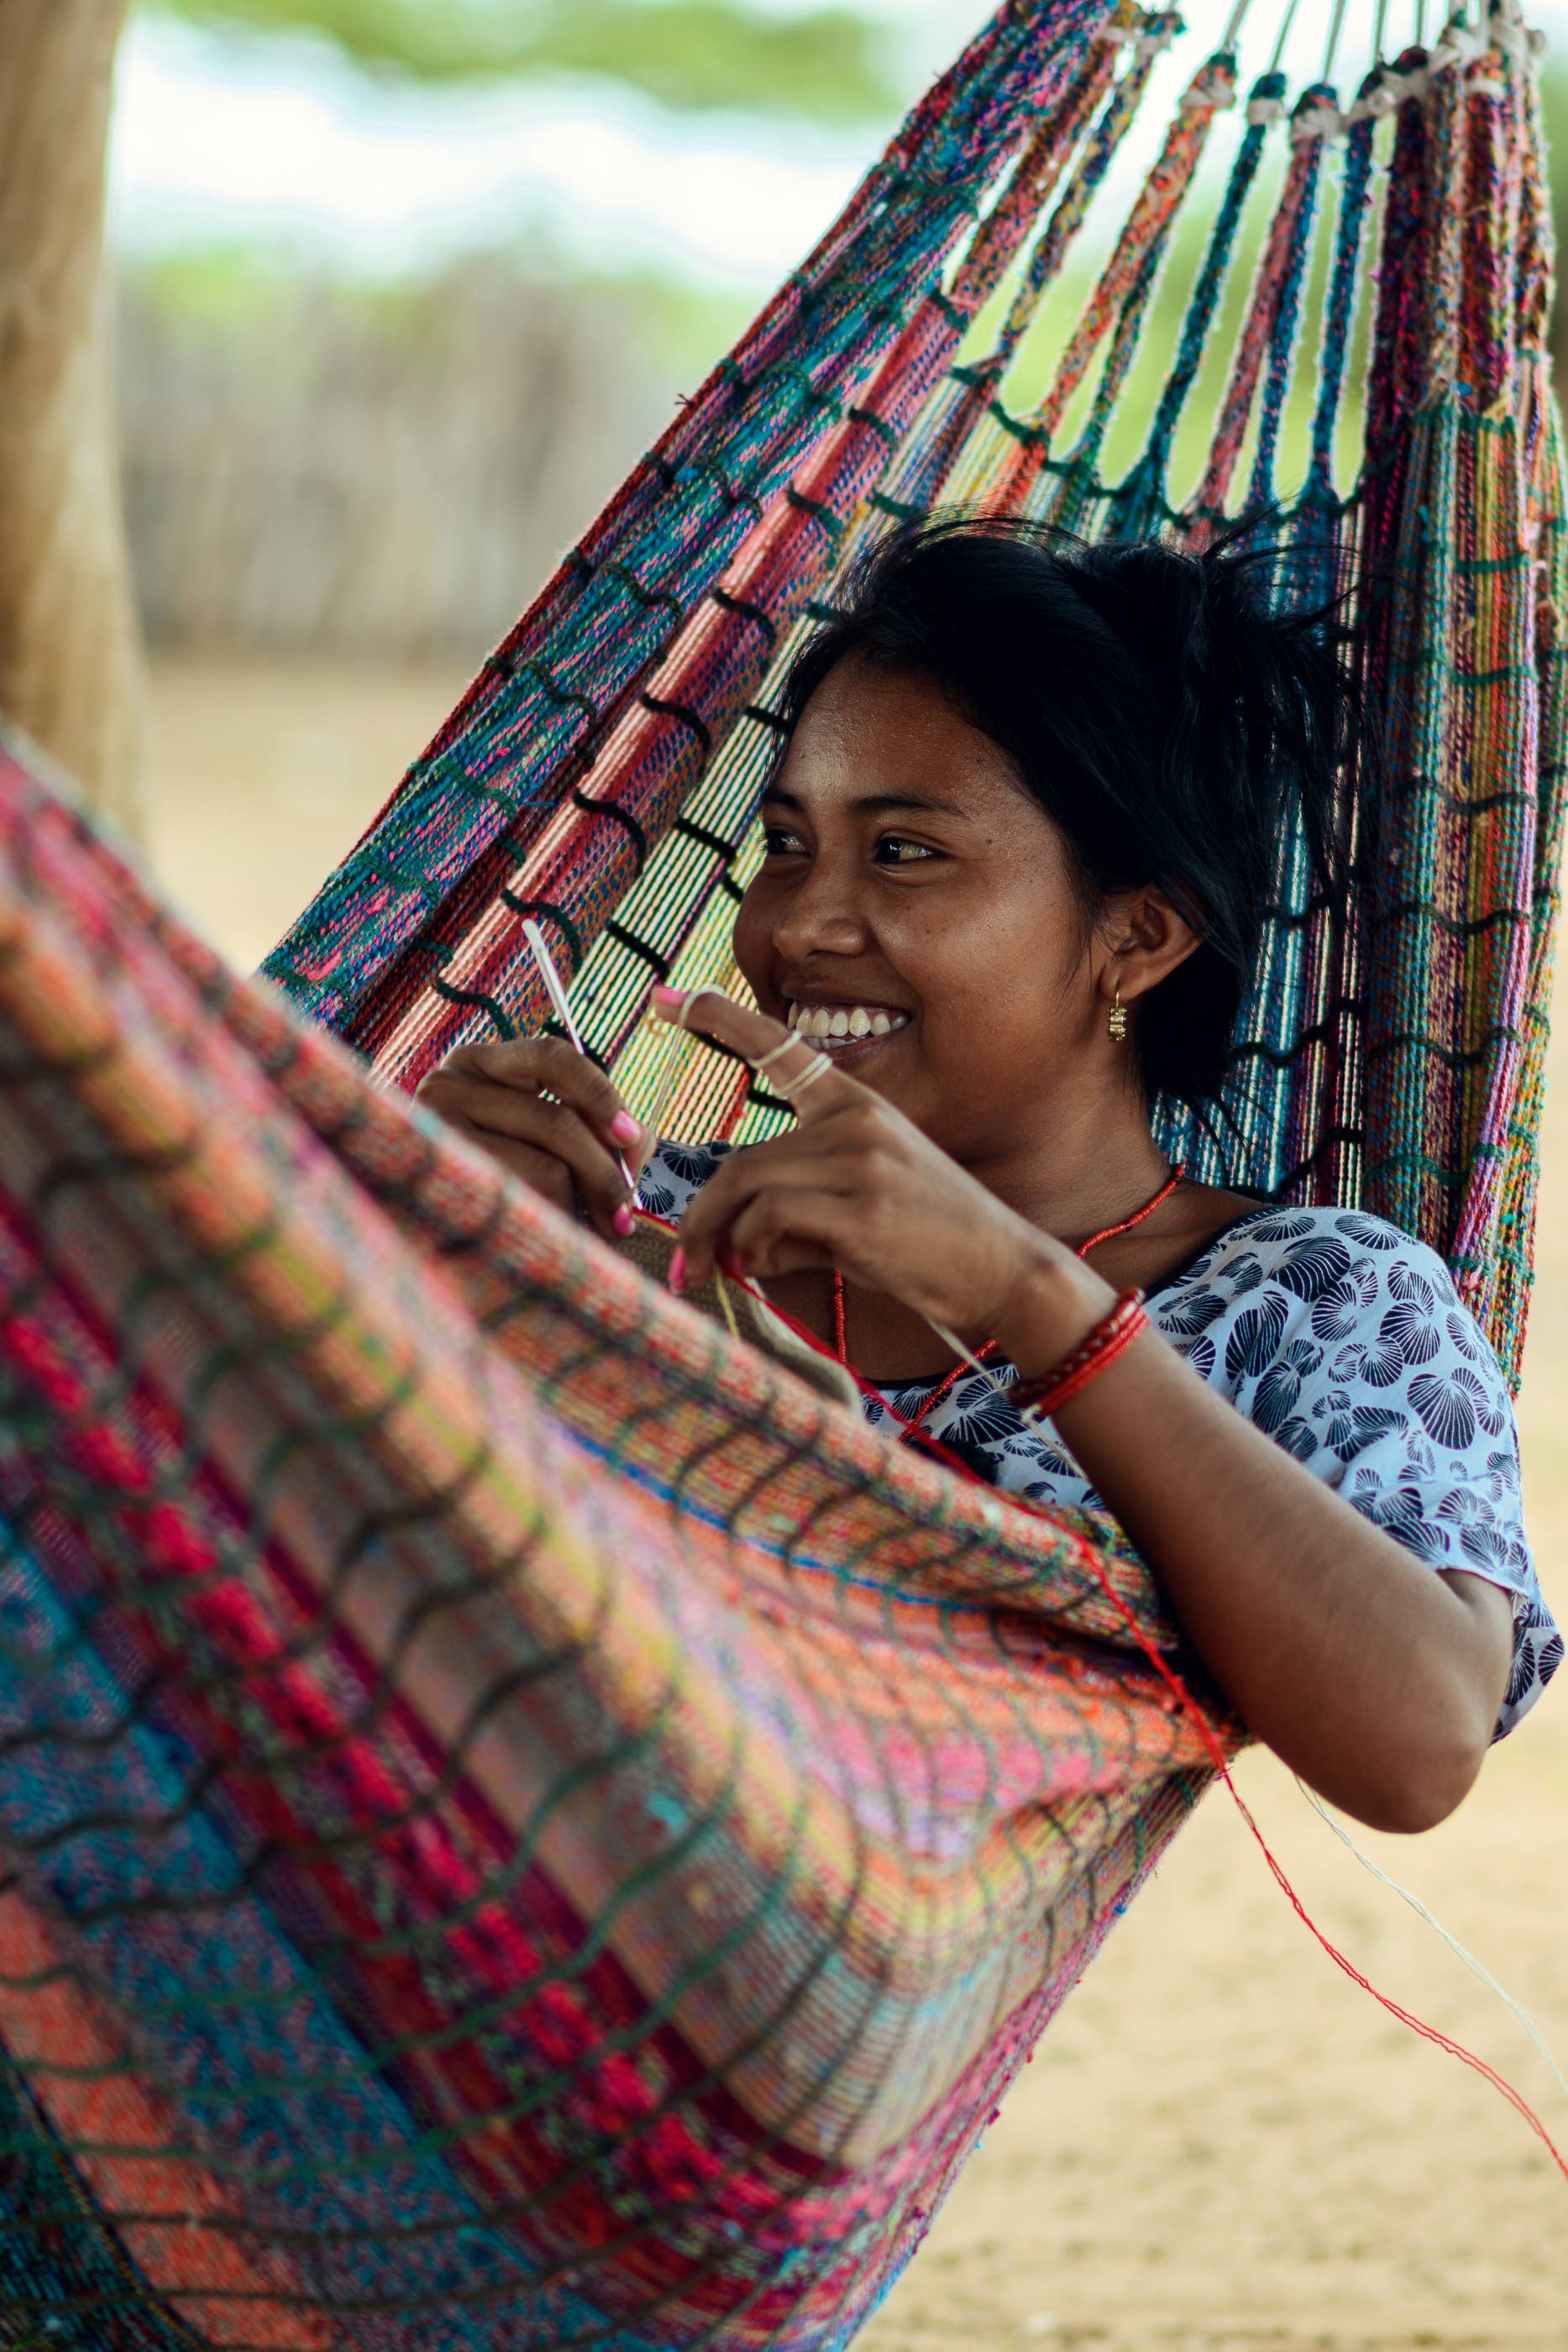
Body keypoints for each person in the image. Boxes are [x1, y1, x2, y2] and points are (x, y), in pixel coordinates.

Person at [417, 517, 1560, 1835]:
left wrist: (1033, 1294)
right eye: (787, 845)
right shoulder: (628, 1214)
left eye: (905, 853)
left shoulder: (1304, 1300)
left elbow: (1418, 1747)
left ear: (1137, 936)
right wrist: (422, 1224)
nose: (797, 926)